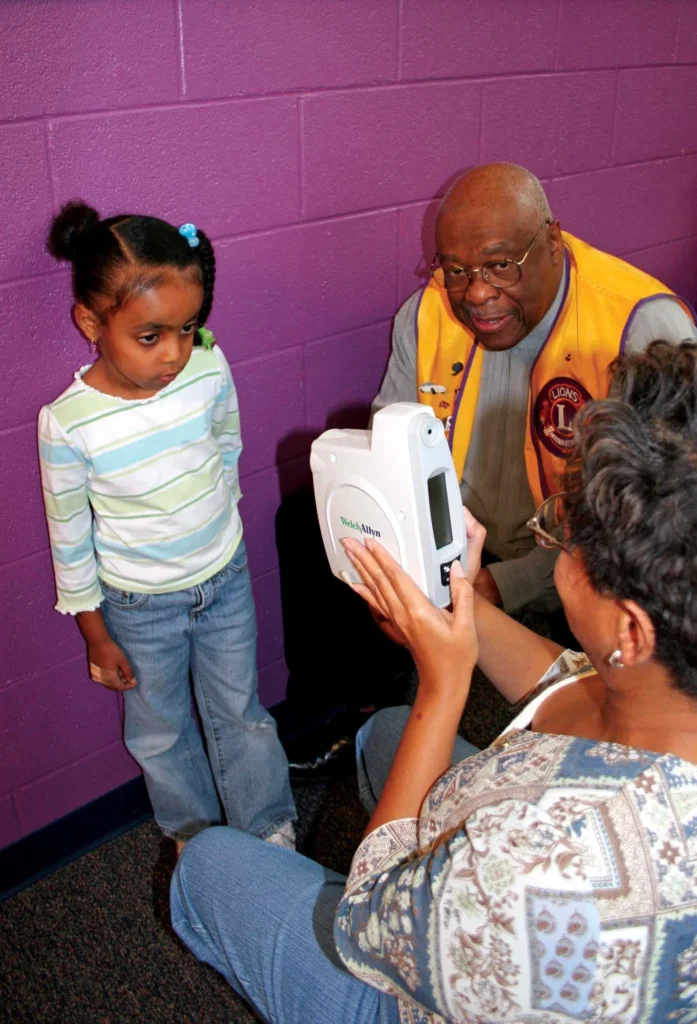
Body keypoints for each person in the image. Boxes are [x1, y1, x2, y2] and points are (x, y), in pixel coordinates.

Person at [171, 341, 697, 1022]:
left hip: (425, 953)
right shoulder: (661, 688)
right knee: (384, 735)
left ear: (631, 633)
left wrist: (441, 690)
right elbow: (571, 686)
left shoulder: (555, 872)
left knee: (207, 866)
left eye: (570, 539)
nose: (559, 543)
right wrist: (460, 608)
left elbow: (364, 917)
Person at [39, 202, 296, 852]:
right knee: (160, 731)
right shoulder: (69, 423)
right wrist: (95, 634)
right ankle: (197, 841)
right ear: (91, 323)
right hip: (138, 606)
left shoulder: (208, 366)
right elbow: (69, 538)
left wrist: (220, 521)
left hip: (224, 579)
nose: (176, 353)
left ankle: (268, 830)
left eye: (188, 328)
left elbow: (226, 443)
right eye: (150, 336)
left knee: (242, 715)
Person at [374, 163, 697, 615]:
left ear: (551, 242)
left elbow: (661, 520)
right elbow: (389, 463)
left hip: (595, 584)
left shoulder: (640, 328)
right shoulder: (425, 313)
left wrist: (504, 584)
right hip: (459, 559)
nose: (477, 294)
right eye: (456, 269)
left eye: (500, 265)